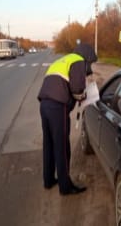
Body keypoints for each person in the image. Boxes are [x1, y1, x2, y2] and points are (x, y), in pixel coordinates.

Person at [37, 43, 97, 195]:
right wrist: (85, 96)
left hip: (44, 104)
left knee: (49, 144)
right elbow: (77, 89)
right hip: (58, 107)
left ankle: (48, 180)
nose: (89, 66)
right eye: (90, 62)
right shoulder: (78, 61)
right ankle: (65, 186)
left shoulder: (63, 60)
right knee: (62, 147)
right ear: (87, 57)